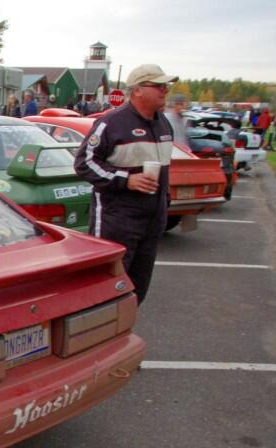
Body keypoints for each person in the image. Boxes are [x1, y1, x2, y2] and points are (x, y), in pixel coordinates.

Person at [73, 64, 178, 305]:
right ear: (138, 90)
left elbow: (165, 170)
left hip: (152, 221)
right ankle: (96, 336)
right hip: (117, 220)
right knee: (105, 288)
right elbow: (84, 163)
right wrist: (126, 179)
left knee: (136, 289)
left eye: (166, 86)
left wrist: (165, 201)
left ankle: (123, 333)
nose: (165, 91)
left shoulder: (164, 124)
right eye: (159, 86)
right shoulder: (112, 123)